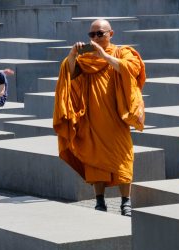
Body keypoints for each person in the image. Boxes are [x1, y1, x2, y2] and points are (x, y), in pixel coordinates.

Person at [53, 19, 145, 216]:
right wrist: (71, 56)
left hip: (116, 120)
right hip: (91, 119)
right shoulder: (86, 59)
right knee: (95, 162)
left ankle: (125, 202)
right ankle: (99, 202)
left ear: (111, 34)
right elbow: (69, 74)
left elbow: (132, 70)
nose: (95, 38)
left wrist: (104, 55)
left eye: (99, 34)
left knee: (123, 160)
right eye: (91, 35)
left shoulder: (122, 52)